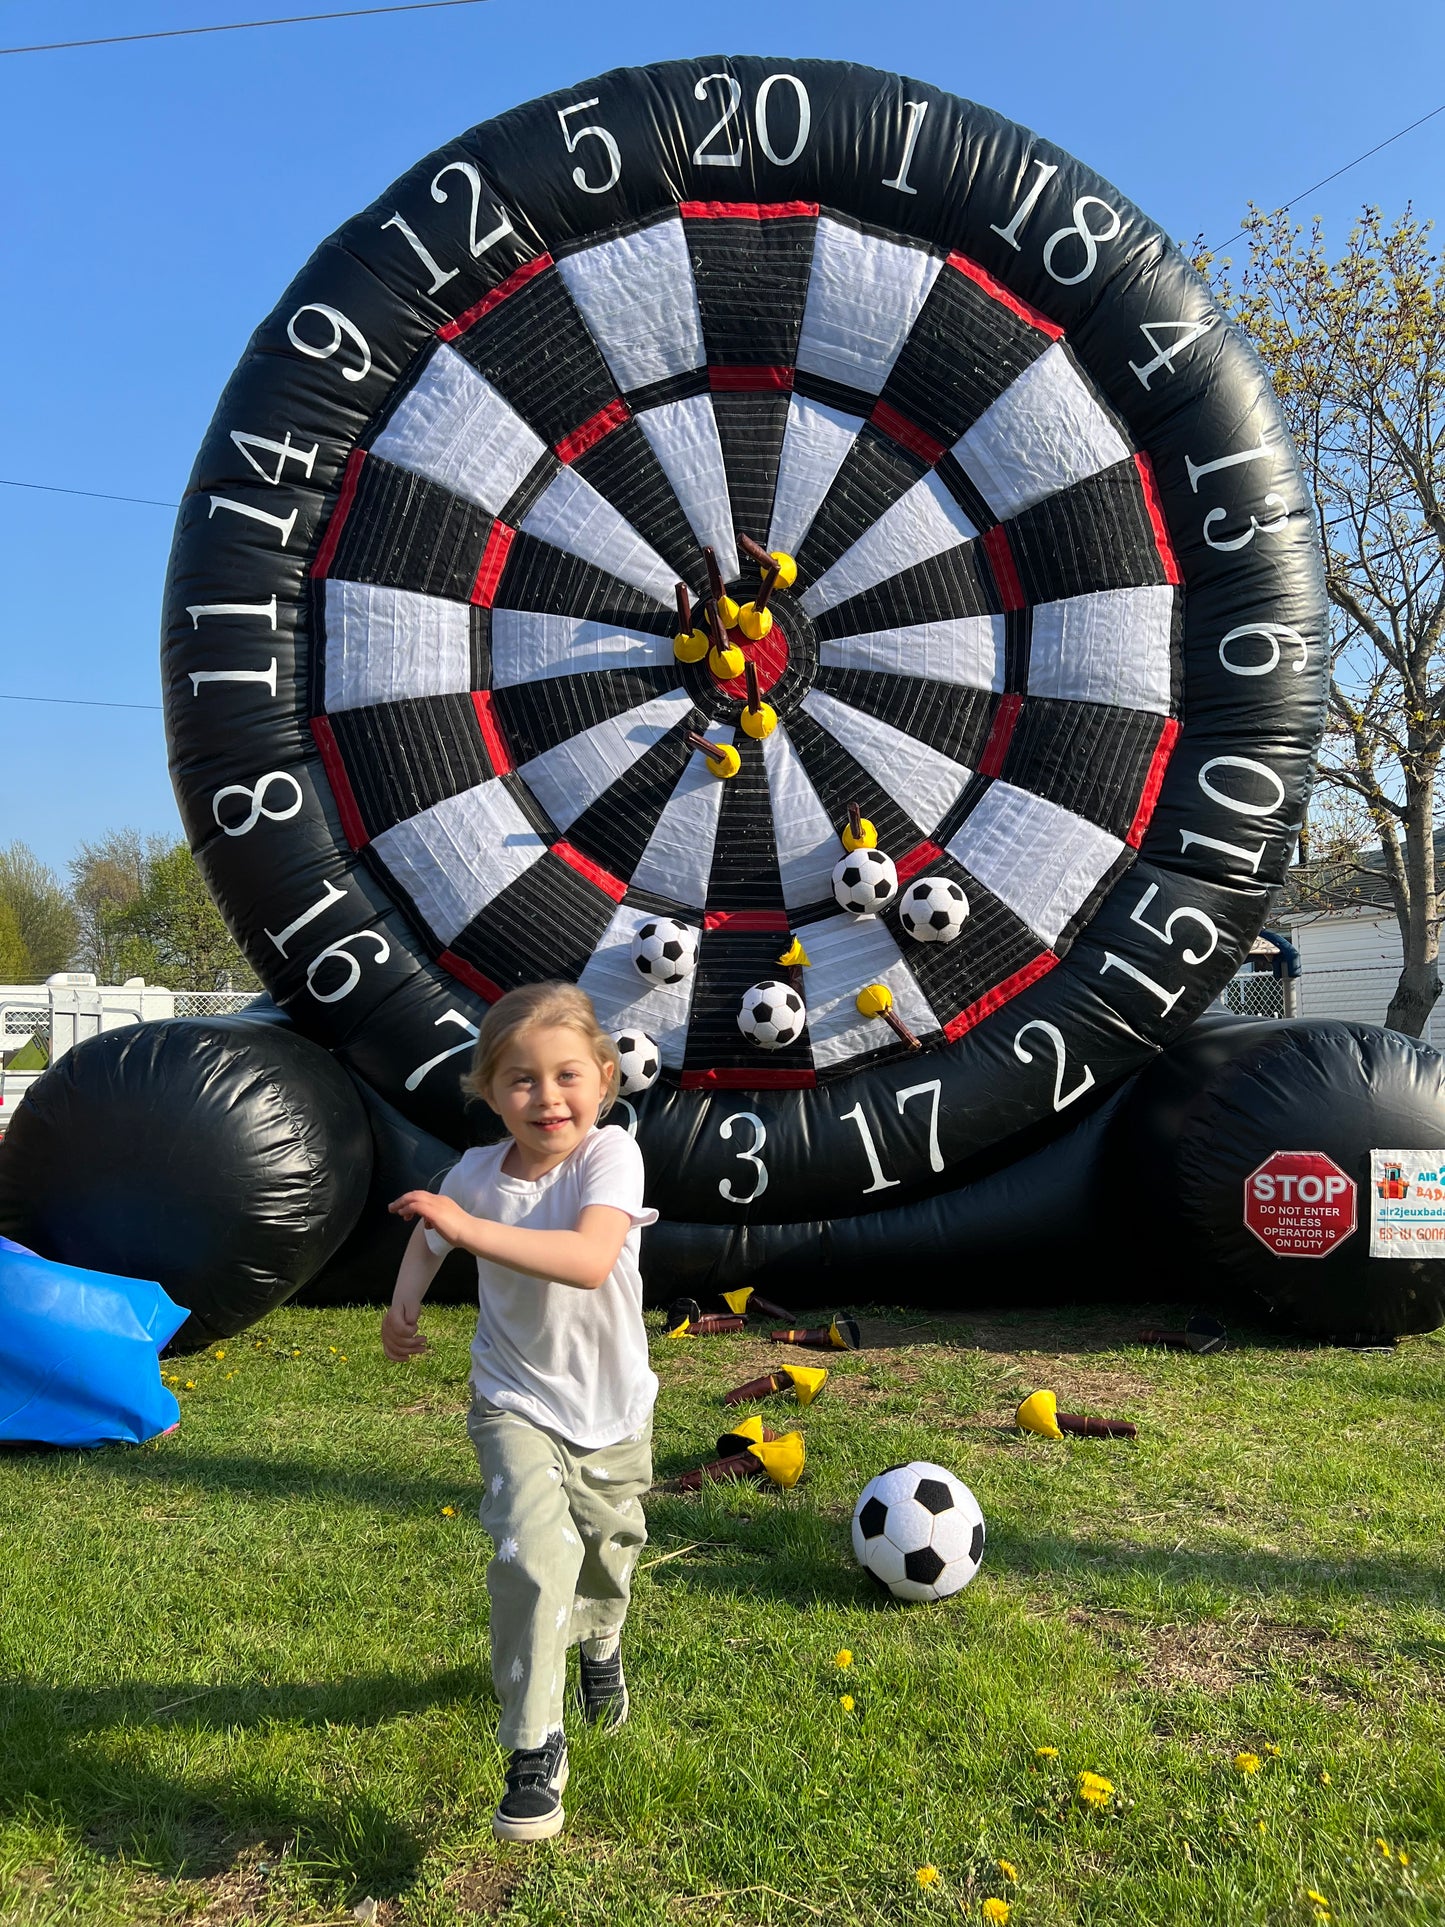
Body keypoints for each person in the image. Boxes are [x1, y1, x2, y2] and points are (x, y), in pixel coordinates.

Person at [381, 982, 657, 1843]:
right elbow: (428, 1235)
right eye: (521, 1080)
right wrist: (403, 1308)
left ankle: (600, 1642)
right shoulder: (470, 1177)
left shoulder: (609, 1158)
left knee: (609, 1553)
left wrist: (464, 1230)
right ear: (490, 1090)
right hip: (513, 1397)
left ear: (604, 1079)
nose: (547, 1097)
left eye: (566, 1074)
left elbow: (583, 1259)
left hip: (611, 1408)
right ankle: (533, 1749)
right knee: (535, 1555)